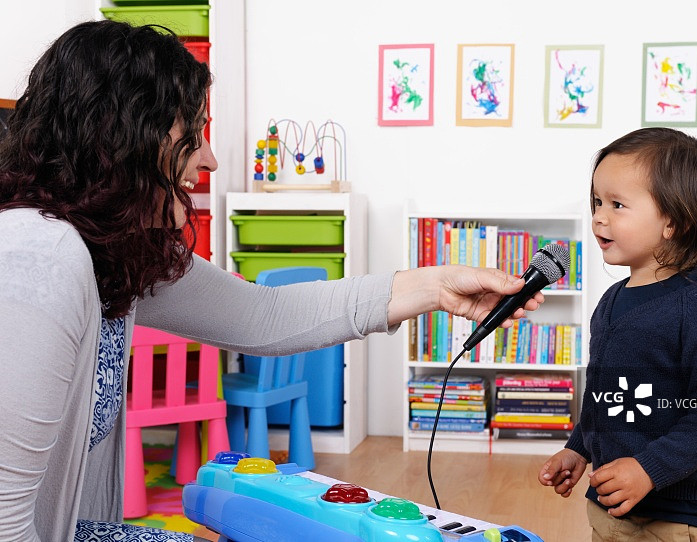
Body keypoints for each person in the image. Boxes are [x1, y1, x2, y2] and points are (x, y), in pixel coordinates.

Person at [0, 21, 545, 542]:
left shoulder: (116, 249)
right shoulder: (39, 257)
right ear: (123, 137)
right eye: (192, 135)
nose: (208, 159)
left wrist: (434, 286)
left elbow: (264, 315)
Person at [538, 128, 697, 541]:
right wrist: (579, 447)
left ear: (675, 221)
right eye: (597, 201)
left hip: (684, 517)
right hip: (613, 510)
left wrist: (649, 469)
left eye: (617, 204)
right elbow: (604, 393)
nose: (599, 216)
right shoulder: (611, 302)